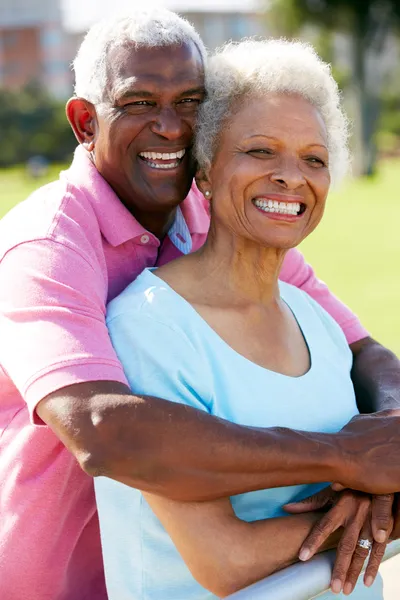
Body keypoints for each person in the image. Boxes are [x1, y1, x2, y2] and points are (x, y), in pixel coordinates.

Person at [0, 9, 399, 600]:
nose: (171, 127)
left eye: (189, 101)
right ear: (86, 121)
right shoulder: (48, 244)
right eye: (139, 103)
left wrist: (389, 447)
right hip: (55, 578)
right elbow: (105, 432)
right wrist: (347, 459)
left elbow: (362, 353)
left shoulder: (220, 217)